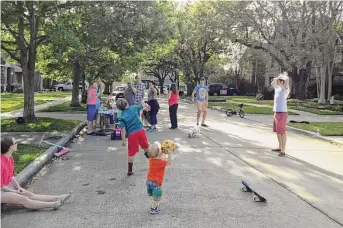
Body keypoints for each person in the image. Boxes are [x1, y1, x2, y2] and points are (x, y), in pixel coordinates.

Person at [1, 136, 72, 210]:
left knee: (30, 195)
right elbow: (1, 186)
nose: (17, 144)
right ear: (10, 147)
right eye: (15, 143)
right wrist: (14, 191)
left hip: (7, 186)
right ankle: (53, 204)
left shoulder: (10, 158)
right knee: (24, 199)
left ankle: (58, 198)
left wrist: (18, 188)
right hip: (1, 190)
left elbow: (11, 176)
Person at [116, 98, 152, 176]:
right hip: (140, 131)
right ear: (127, 103)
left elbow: (122, 129)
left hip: (132, 135)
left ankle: (130, 170)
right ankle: (152, 162)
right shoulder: (133, 108)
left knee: (131, 153)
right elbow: (142, 105)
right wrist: (146, 105)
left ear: (119, 108)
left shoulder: (121, 117)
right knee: (146, 147)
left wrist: (123, 140)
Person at [146, 139, 175, 214]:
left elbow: (153, 152)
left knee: (152, 193)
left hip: (148, 181)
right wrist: (170, 154)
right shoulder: (160, 162)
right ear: (159, 154)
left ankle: (150, 193)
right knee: (157, 198)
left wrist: (160, 151)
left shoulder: (151, 159)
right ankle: (153, 209)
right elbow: (169, 163)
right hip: (156, 183)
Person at [271, 72, 290, 156]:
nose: (278, 82)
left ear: (283, 82)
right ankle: (279, 147)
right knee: (278, 131)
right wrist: (278, 77)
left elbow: (287, 82)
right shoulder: (277, 89)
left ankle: (283, 150)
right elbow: (272, 83)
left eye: (280, 81)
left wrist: (284, 77)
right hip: (276, 112)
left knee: (282, 132)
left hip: (282, 113)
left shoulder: (285, 90)